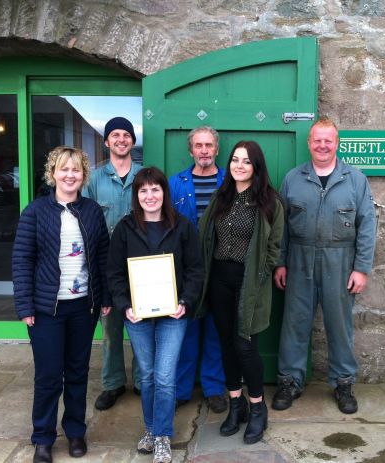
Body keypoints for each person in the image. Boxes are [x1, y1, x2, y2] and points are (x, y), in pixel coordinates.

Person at [272, 117, 376, 415]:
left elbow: (367, 225)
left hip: (340, 262)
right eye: (317, 140)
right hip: (299, 260)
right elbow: (282, 227)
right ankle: (289, 380)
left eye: (328, 140)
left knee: (339, 325)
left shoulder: (355, 179)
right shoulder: (293, 178)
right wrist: (280, 262)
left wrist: (361, 268)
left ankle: (343, 382)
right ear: (309, 143)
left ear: (337, 143)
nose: (322, 145)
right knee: (294, 323)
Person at [12, 146, 110, 463]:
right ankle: (43, 437)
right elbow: (22, 260)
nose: (70, 175)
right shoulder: (35, 211)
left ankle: (76, 432)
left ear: (83, 176)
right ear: (53, 173)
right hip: (46, 311)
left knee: (78, 372)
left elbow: (103, 259)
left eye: (76, 170)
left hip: (83, 307)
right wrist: (25, 305)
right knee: (49, 375)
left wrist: (105, 297)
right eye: (64, 169)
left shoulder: (93, 211)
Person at [107, 167, 203, 463]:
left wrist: (185, 301)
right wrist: (125, 306)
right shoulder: (125, 228)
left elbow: (195, 269)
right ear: (137, 196)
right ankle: (150, 429)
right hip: (137, 315)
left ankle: (162, 435)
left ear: (165, 192)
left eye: (155, 189)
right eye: (143, 190)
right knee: (147, 375)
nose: (150, 196)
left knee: (164, 375)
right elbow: (114, 273)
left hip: (173, 314)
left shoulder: (183, 226)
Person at [197, 141, 284, 445]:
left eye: (246, 162)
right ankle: (237, 406)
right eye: (235, 160)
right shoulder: (221, 197)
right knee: (225, 345)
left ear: (256, 167)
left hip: (250, 284)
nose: (239, 166)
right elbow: (207, 236)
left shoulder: (269, 202)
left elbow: (274, 248)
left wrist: (261, 274)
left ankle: (258, 409)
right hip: (219, 278)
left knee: (245, 345)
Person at [83, 117, 143, 411]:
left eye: (126, 135)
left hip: (143, 264)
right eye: (115, 135)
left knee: (144, 326)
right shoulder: (93, 179)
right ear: (106, 142)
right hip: (108, 266)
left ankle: (144, 382)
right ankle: (113, 383)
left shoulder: (145, 176)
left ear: (132, 141)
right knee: (110, 330)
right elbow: (85, 223)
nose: (121, 139)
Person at [169, 126, 227, 413]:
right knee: (186, 329)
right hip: (186, 271)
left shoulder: (230, 181)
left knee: (216, 329)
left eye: (209, 145)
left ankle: (214, 387)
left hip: (220, 267)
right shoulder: (175, 184)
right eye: (198, 145)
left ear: (217, 149)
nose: (204, 150)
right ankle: (181, 389)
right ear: (190, 150)